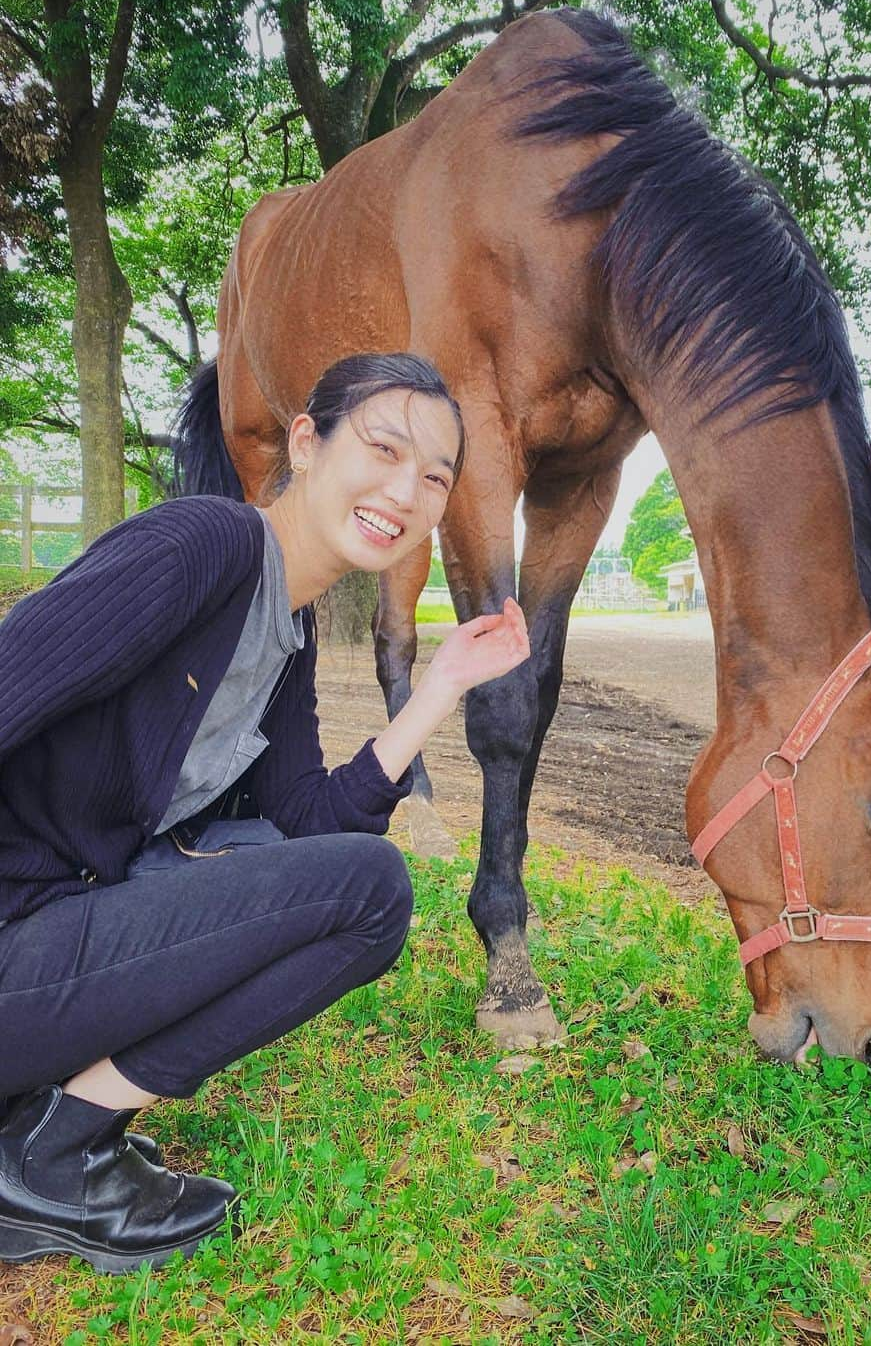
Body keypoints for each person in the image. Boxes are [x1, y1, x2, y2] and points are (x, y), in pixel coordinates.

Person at [0, 352, 530, 1275]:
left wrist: (437, 690)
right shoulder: (201, 547)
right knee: (375, 889)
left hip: (53, 944)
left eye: (436, 477)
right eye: (384, 447)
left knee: (362, 895)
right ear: (306, 443)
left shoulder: (287, 631)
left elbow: (307, 835)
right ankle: (44, 1158)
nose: (407, 491)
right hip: (15, 940)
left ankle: (55, 1132)